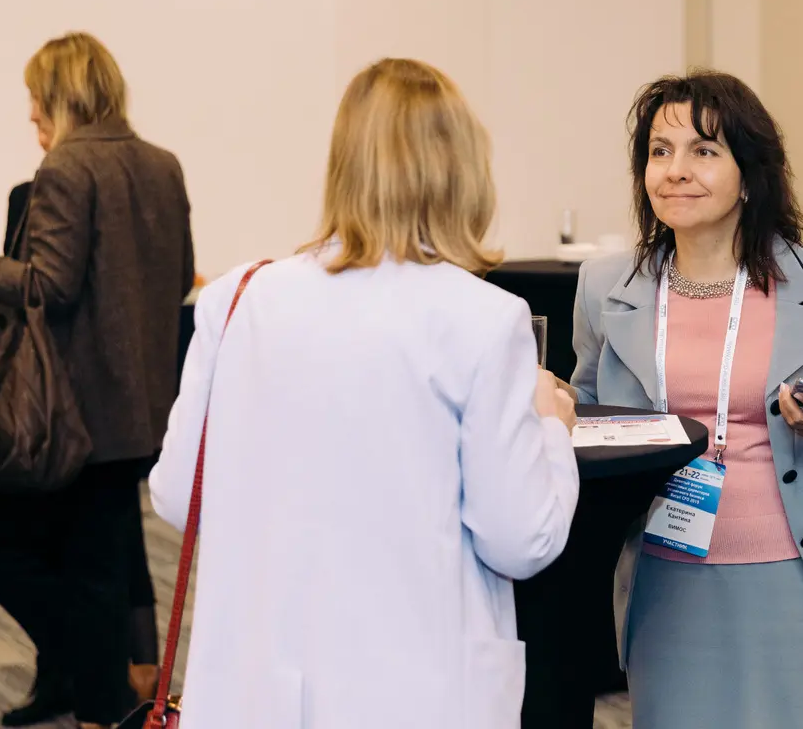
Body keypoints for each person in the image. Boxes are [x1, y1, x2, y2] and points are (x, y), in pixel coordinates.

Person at [149, 57, 580, 729]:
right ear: (462, 171)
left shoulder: (236, 298)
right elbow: (521, 537)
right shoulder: (483, 319)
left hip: (253, 692)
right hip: (413, 695)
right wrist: (551, 427)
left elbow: (179, 495)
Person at [568, 71, 803, 728]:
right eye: (660, 151)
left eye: (703, 151)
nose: (676, 170)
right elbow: (588, 406)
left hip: (795, 578)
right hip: (665, 577)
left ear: (750, 175)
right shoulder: (606, 285)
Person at [0, 31, 194, 729]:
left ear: (60, 95)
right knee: (98, 564)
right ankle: (99, 696)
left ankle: (95, 681)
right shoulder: (162, 164)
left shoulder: (66, 167)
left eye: (36, 98)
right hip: (141, 413)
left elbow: (48, 286)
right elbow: (179, 278)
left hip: (77, 417)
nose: (31, 113)